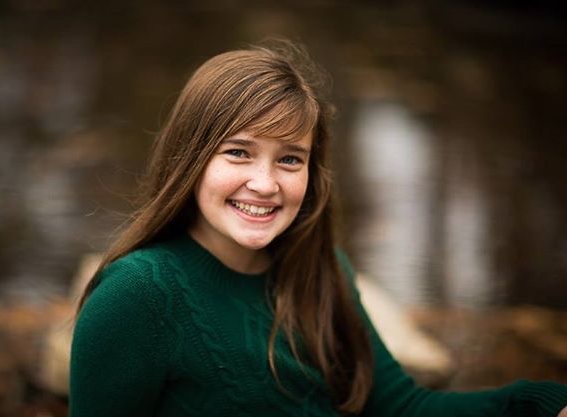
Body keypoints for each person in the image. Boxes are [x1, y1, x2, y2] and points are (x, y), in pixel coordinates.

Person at [69, 40, 567, 417]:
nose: (265, 184)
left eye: (290, 159)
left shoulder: (320, 269)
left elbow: (400, 408)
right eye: (239, 151)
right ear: (191, 157)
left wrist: (536, 403)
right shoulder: (138, 295)